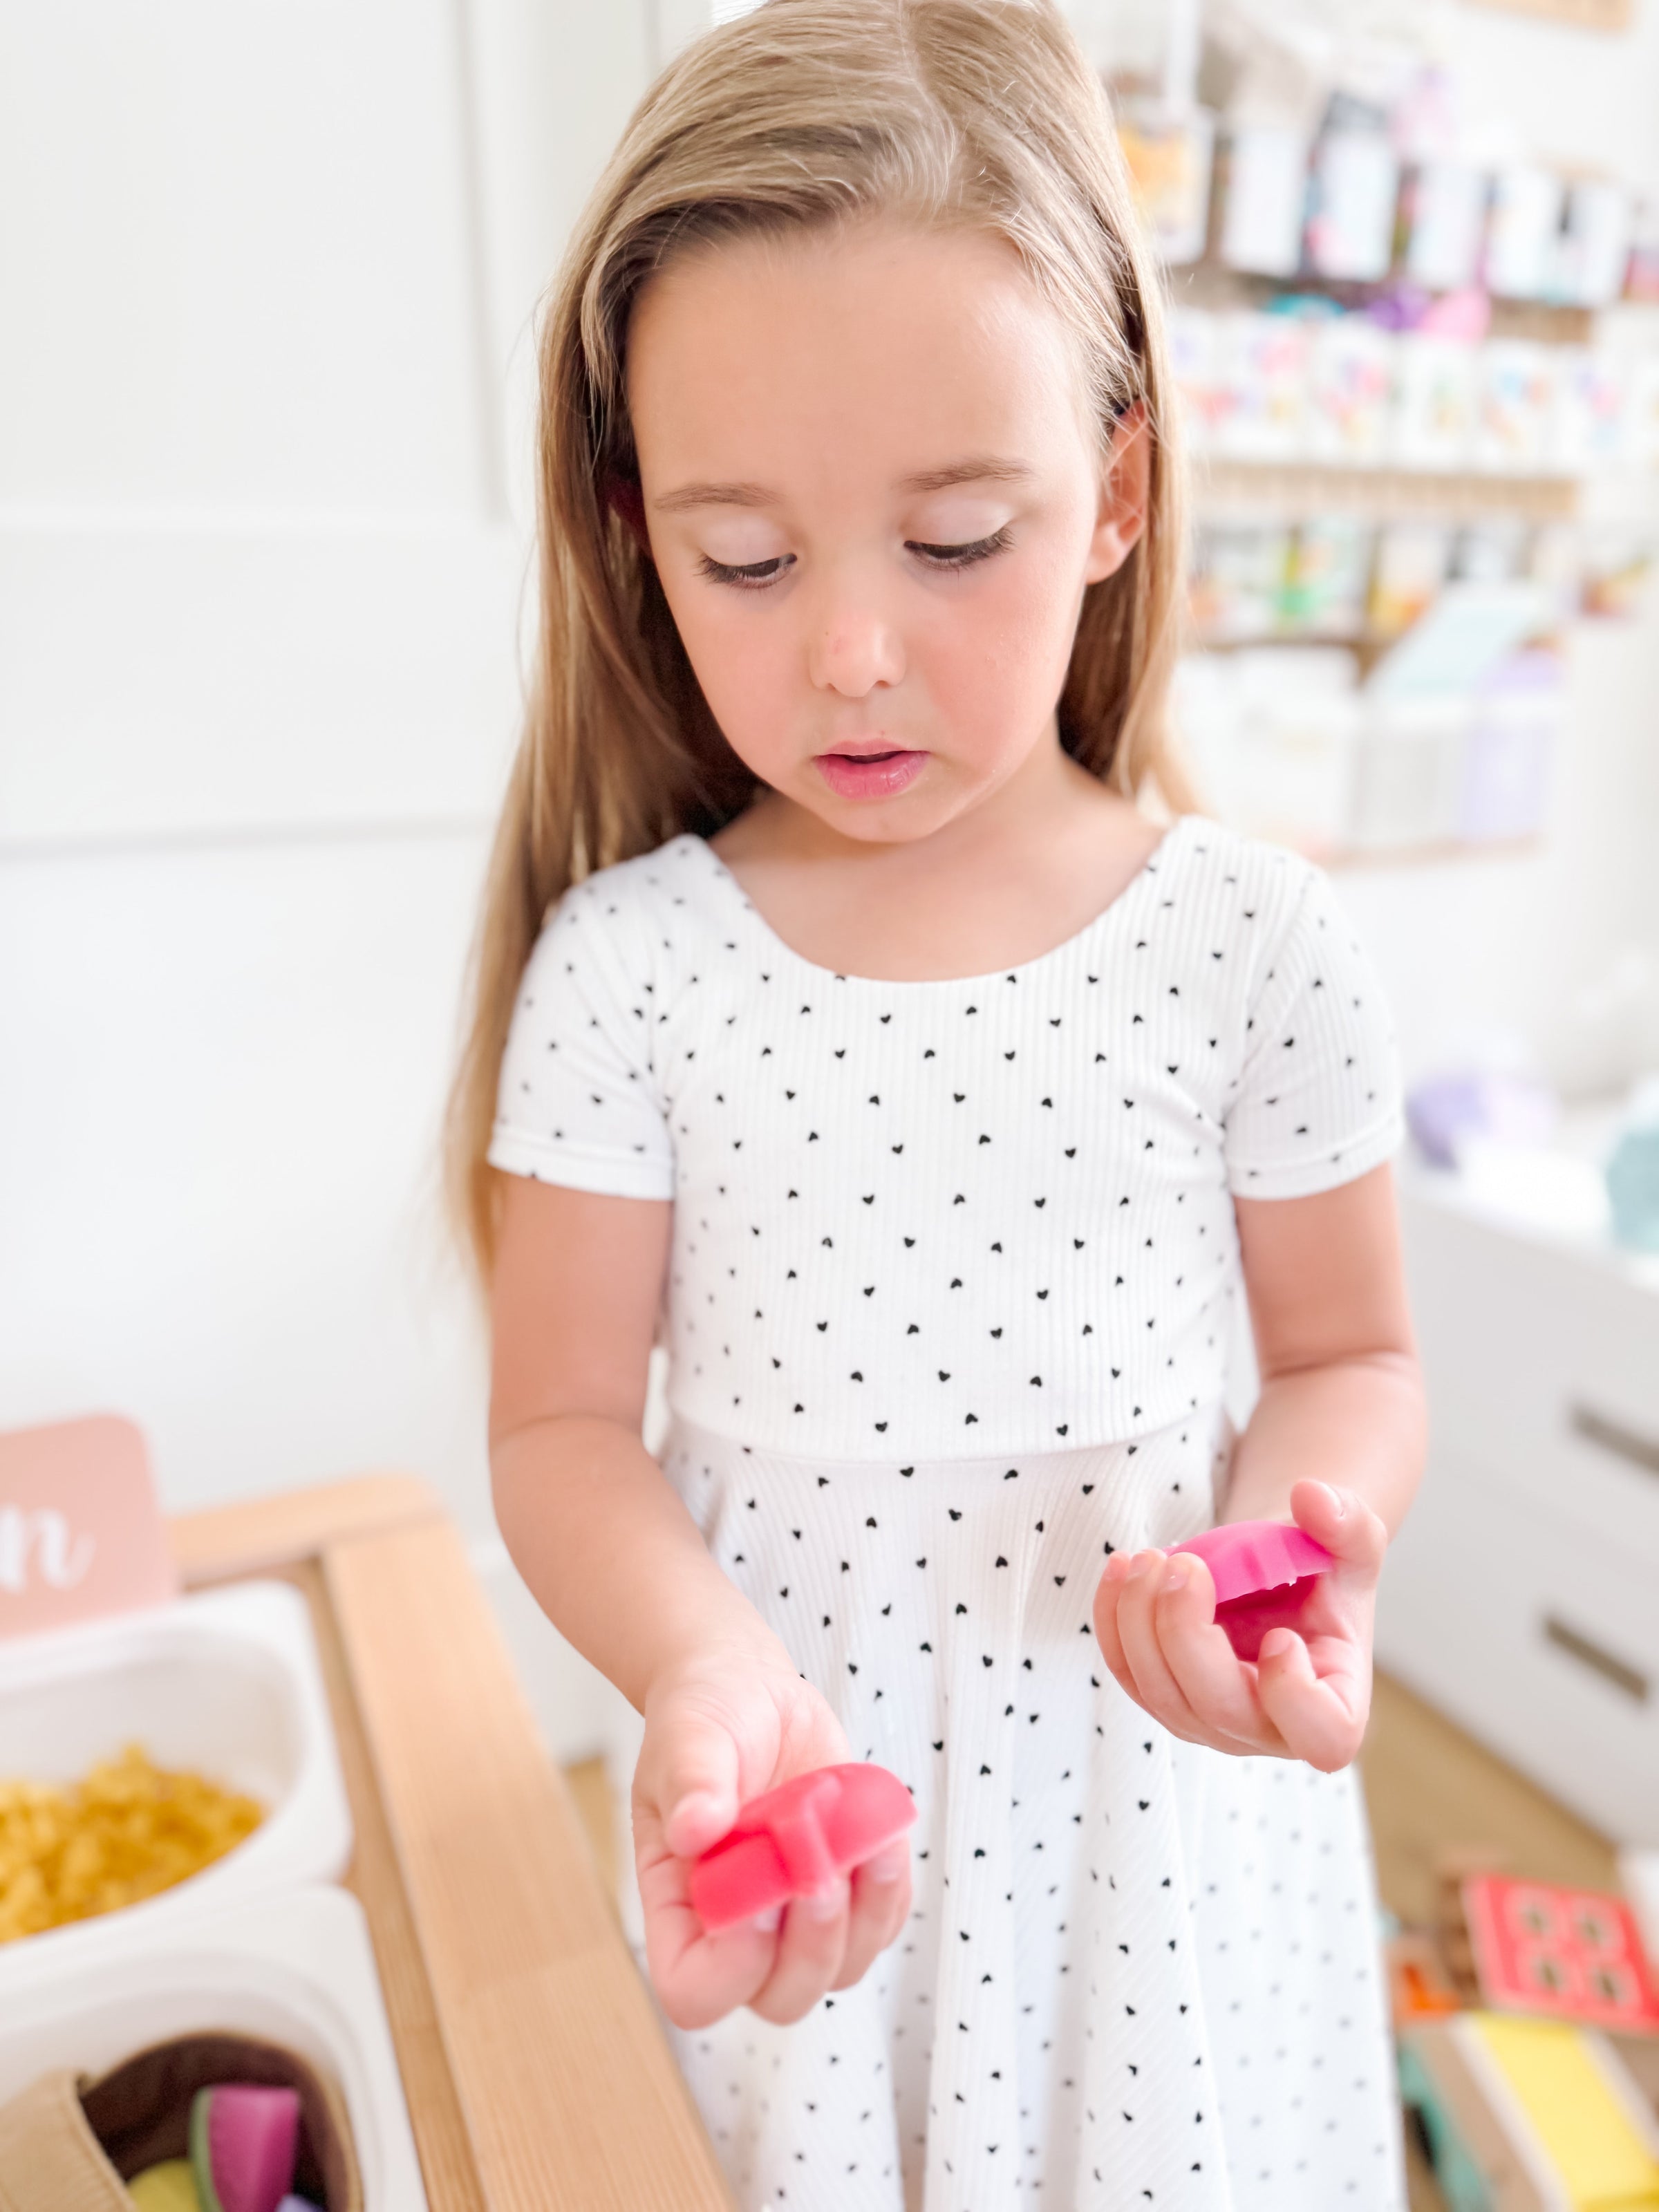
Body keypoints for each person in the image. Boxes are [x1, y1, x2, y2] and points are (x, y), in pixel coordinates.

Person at [448, 3, 1425, 2204]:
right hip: (818, 1842)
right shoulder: (633, 969)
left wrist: (1298, 1560)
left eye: (957, 536)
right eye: (751, 561)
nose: (854, 654)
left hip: (1163, 1865)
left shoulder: (1253, 941)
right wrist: (706, 1673)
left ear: (1117, 493)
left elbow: (1354, 1361)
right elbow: (560, 1427)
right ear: (634, 536)